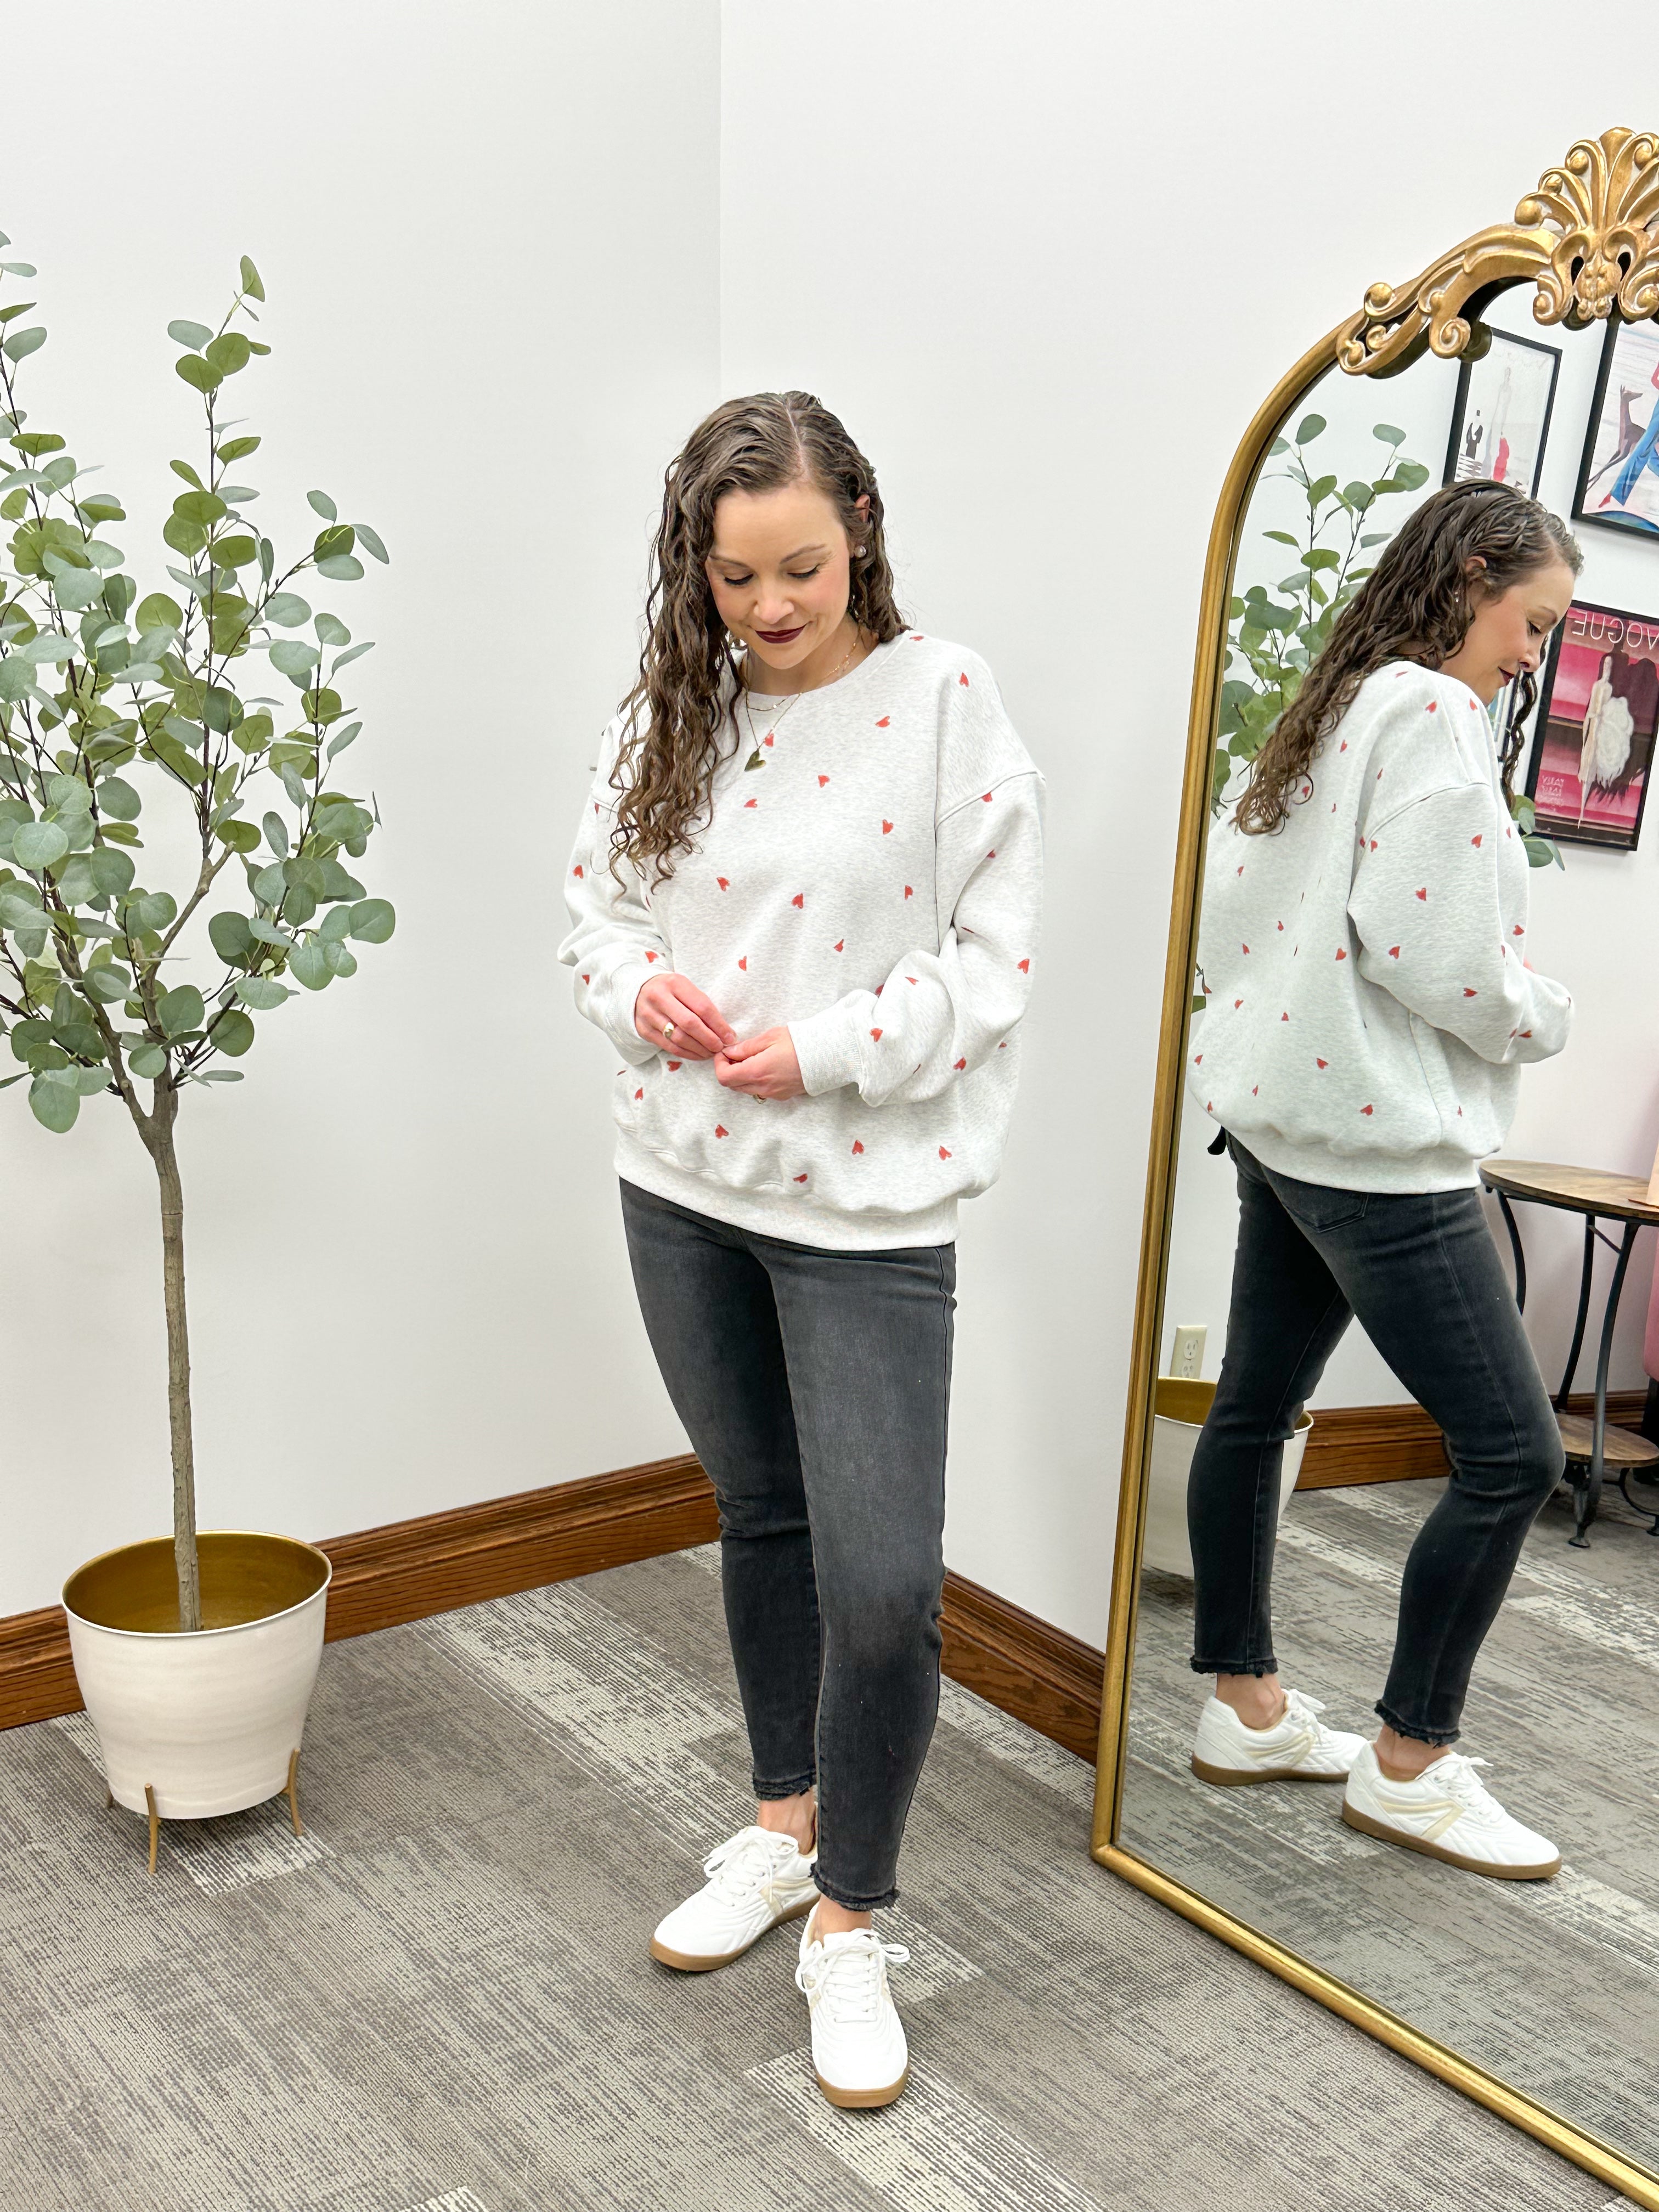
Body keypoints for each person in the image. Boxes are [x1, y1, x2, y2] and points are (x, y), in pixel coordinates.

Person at [558, 391, 1043, 2106]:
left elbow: (996, 965)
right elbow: (595, 921)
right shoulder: (666, 715)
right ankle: (782, 1824)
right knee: (758, 1514)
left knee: (888, 1583)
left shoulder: (944, 703)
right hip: (681, 1184)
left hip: (864, 1212)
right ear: (695, 573)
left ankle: (854, 1917)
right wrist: (643, 991)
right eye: (737, 578)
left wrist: (827, 1045)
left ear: (864, 535)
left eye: (804, 567)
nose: (771, 607)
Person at [1185, 478, 1578, 1881]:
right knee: (1514, 1455)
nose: (1533, 652)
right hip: (1372, 1148)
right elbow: (1435, 953)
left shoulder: (1330, 709)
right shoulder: (1431, 712)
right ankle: (1411, 1762)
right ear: (1474, 574)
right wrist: (1543, 1013)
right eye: (1531, 618)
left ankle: (1244, 1708)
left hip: (1285, 1122)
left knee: (1254, 1406)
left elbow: (1241, 920)